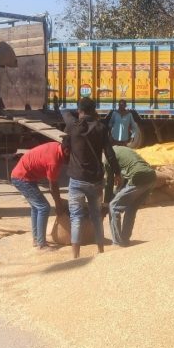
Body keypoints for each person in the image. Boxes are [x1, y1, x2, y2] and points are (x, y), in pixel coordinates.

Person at [62, 97, 122, 259]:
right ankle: (100, 251)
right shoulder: (101, 128)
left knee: (76, 217)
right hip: (95, 180)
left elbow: (64, 149)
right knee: (96, 216)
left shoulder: (72, 127)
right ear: (94, 110)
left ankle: (75, 256)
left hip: (76, 178)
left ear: (79, 110)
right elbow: (110, 154)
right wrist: (117, 173)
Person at [11, 141, 70, 250]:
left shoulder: (57, 145)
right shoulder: (54, 162)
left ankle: (37, 239)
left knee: (36, 207)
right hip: (21, 178)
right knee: (44, 207)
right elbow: (53, 186)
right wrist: (58, 205)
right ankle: (41, 244)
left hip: (25, 175)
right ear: (66, 151)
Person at [106, 146, 157, 247]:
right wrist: (117, 192)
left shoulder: (107, 156)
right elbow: (123, 180)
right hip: (151, 177)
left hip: (138, 177)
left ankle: (117, 243)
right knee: (131, 208)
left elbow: (110, 182)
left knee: (113, 206)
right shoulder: (122, 149)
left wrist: (106, 201)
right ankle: (125, 240)